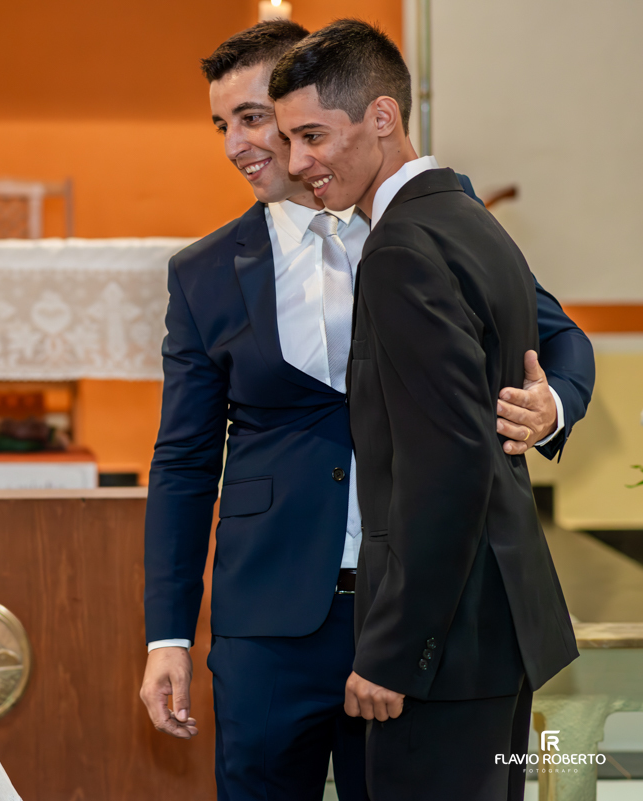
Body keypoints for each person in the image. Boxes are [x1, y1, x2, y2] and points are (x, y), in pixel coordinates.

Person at [139, 20, 595, 801]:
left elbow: (557, 337)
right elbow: (183, 460)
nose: (239, 145)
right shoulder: (205, 273)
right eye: (223, 126)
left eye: (256, 118)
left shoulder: (415, 226)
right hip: (271, 620)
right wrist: (169, 633)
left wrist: (546, 407)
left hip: (419, 611)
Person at [269, 19, 579, 799]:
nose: (298, 162)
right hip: (495, 627)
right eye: (288, 140)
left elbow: (446, 466)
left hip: (445, 643)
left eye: (313, 135)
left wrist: (393, 650)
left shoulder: (402, 246)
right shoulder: (470, 220)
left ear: (382, 117)